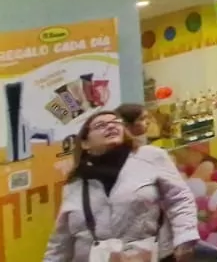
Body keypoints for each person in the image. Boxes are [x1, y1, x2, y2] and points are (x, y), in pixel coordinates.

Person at [45, 110, 200, 262]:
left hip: (156, 255)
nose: (111, 126)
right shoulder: (75, 183)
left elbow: (179, 198)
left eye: (115, 122)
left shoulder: (150, 156)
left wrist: (185, 237)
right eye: (101, 125)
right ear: (85, 143)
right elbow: (61, 239)